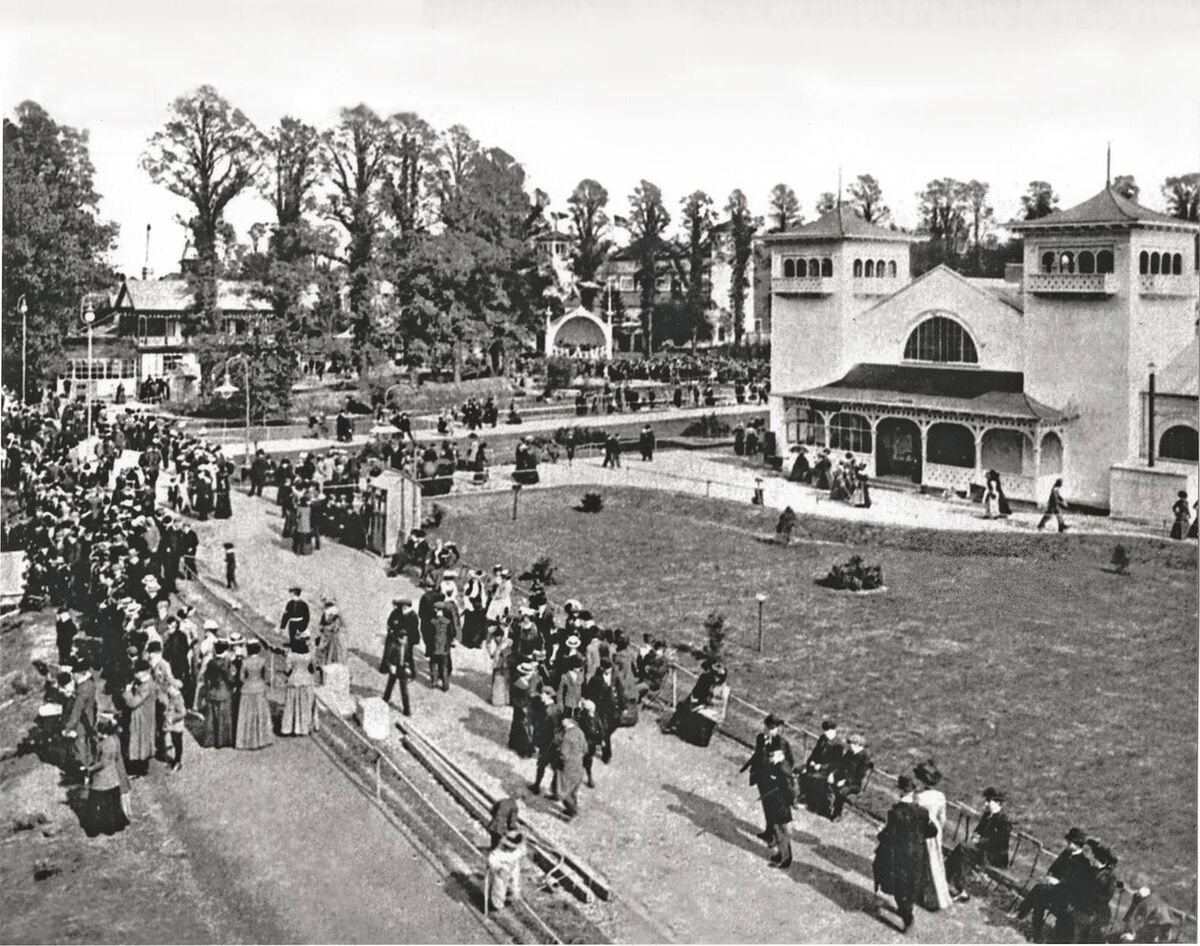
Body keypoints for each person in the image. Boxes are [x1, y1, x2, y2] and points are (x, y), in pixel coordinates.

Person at [873, 775, 937, 933]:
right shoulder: (922, 812)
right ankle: (907, 909)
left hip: (899, 855)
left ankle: (907, 916)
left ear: (901, 792)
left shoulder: (896, 813)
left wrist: (880, 833)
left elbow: (888, 837)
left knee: (897, 884)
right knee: (911, 883)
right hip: (917, 854)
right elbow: (932, 831)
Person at [1015, 827, 1096, 943]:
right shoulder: (1066, 853)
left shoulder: (1084, 863)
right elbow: (1053, 867)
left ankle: (1023, 914)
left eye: (1070, 842)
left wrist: (1058, 882)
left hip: (1068, 898)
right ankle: (1035, 932)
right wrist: (1049, 876)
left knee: (1039, 890)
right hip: (1054, 891)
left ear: (1077, 845)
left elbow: (1077, 886)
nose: (1067, 844)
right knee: (1040, 895)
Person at [947, 787, 1012, 901]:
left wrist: (980, 841)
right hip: (981, 850)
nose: (986, 803)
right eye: (986, 800)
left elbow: (1000, 843)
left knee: (963, 849)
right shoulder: (987, 816)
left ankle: (957, 885)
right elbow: (978, 831)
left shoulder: (1004, 821)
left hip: (995, 856)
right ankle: (950, 880)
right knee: (962, 851)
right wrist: (975, 836)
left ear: (997, 803)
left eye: (989, 801)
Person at [739, 714, 795, 843]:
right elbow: (757, 755)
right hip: (762, 779)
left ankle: (776, 836)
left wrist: (777, 760)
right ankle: (769, 832)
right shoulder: (760, 738)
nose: (770, 730)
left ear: (777, 729)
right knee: (767, 806)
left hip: (775, 782)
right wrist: (745, 767)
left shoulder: (781, 743)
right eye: (768, 727)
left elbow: (787, 762)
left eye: (773, 728)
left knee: (776, 809)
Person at [913, 759, 952, 911]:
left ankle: (924, 895)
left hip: (921, 829)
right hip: (935, 830)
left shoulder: (919, 797)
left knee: (922, 861)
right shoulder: (940, 796)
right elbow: (943, 818)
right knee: (935, 861)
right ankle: (937, 896)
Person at [84, 716, 130, 837]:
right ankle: (116, 826)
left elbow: (102, 763)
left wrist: (89, 768)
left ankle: (93, 829)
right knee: (113, 805)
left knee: (94, 804)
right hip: (113, 778)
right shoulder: (115, 739)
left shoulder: (103, 744)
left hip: (101, 780)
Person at [798, 719, 843, 815]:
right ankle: (805, 798)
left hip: (829, 770)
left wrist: (821, 766)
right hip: (816, 766)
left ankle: (815, 804)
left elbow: (836, 763)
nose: (826, 733)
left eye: (828, 731)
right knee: (802, 772)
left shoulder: (838, 745)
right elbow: (815, 752)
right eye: (825, 731)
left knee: (814, 778)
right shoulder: (823, 738)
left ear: (834, 731)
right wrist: (810, 762)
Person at [62, 663, 98, 781]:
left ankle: (87, 774)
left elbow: (76, 712)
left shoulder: (82, 690)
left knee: (81, 747)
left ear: (79, 674)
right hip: (91, 718)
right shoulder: (91, 684)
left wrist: (68, 728)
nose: (72, 676)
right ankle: (91, 769)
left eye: (74, 674)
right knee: (88, 745)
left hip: (82, 724)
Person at [236, 640, 274, 750]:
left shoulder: (245, 662)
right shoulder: (263, 661)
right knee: (260, 714)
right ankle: (262, 739)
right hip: (259, 688)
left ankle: (247, 740)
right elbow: (266, 677)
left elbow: (241, 678)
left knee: (247, 715)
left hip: (247, 689)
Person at [1119, 873, 1178, 943]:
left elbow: (1143, 922)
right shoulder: (1140, 897)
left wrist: (1133, 935)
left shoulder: (1150, 902)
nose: (1135, 892)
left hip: (1156, 931)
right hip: (1148, 928)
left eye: (1138, 889)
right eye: (1134, 890)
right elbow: (1132, 915)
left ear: (1146, 888)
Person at [121, 660, 158, 774]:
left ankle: (140, 769)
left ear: (146, 671)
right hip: (143, 717)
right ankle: (139, 767)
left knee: (141, 742)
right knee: (141, 742)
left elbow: (133, 703)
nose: (135, 674)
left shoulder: (147, 686)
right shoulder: (144, 683)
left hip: (142, 718)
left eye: (138, 671)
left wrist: (127, 692)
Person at [828, 732, 872, 821]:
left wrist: (845, 781)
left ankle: (837, 813)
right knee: (825, 779)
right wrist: (832, 774)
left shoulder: (864, 758)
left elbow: (859, 776)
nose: (850, 746)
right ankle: (827, 805)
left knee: (842, 791)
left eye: (852, 744)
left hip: (854, 784)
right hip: (842, 778)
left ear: (858, 745)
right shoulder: (850, 753)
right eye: (850, 743)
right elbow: (840, 765)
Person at [381, 599, 413, 716]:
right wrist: (391, 666)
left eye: (405, 638)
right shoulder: (394, 645)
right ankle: (385, 700)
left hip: (403, 669)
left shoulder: (407, 646)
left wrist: (408, 667)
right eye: (402, 637)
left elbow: (409, 658)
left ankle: (407, 709)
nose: (403, 640)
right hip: (395, 667)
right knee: (390, 684)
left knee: (404, 689)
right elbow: (388, 657)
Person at [202, 640, 236, 748]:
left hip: (212, 691)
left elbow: (206, 677)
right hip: (224, 691)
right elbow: (230, 678)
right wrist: (233, 684)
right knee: (224, 717)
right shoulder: (226, 663)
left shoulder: (211, 662)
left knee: (211, 717)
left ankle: (210, 740)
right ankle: (222, 741)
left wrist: (208, 689)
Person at [280, 638, 318, 736]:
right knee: (304, 706)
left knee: (291, 705)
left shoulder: (291, 655)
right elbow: (313, 669)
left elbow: (287, 670)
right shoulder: (309, 656)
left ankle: (289, 728)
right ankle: (303, 728)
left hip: (294, 680)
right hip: (306, 681)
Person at [554, 714, 587, 819]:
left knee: (563, 791)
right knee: (573, 789)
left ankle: (572, 811)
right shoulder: (579, 731)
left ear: (567, 721)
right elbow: (585, 749)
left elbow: (563, 754)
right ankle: (572, 808)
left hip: (567, 767)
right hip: (578, 765)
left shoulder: (567, 736)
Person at [486, 829, 526, 911]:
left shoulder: (518, 851)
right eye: (509, 847)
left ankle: (512, 895)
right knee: (499, 887)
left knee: (515, 884)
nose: (511, 849)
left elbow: (521, 854)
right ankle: (496, 905)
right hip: (501, 871)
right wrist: (499, 868)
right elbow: (491, 860)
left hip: (513, 867)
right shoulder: (499, 853)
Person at [158, 680, 187, 771]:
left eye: (169, 687)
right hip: (172, 725)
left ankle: (178, 762)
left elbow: (182, 713)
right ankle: (175, 761)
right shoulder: (172, 696)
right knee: (174, 742)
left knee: (177, 743)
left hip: (176, 726)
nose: (167, 689)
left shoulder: (177, 698)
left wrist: (172, 718)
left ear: (174, 688)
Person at [427, 601, 453, 692]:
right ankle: (445, 685)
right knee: (444, 666)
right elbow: (451, 634)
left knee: (433, 664)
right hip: (444, 648)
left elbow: (429, 635)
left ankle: (434, 682)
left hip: (434, 647)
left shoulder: (432, 621)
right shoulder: (448, 622)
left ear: (436, 610)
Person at [486, 625, 513, 707]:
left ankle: (498, 700)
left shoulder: (494, 631)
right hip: (506, 657)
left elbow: (489, 644)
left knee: (499, 677)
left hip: (502, 657)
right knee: (505, 677)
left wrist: (492, 653)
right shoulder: (509, 632)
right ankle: (506, 699)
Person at [317, 595, 346, 667]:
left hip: (328, 633)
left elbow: (322, 624)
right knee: (333, 650)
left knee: (325, 649)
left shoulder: (327, 611)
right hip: (332, 633)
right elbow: (342, 622)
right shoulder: (335, 610)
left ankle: (324, 663)